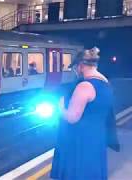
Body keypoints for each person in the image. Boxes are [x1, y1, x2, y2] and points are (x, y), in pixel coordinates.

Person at [51, 47, 119, 180]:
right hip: (97, 137)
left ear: (81, 66)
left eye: (75, 68)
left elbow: (72, 117)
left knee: (78, 173)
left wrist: (59, 108)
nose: (75, 71)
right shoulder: (106, 83)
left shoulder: (85, 86)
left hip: (80, 140)